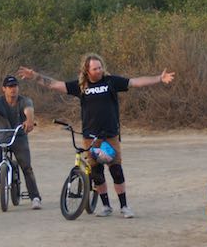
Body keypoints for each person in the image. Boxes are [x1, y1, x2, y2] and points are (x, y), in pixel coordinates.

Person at [17, 55, 175, 219]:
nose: (98, 71)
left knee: (116, 171)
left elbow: (135, 82)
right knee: (97, 173)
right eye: (95, 69)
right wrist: (34, 76)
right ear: (87, 70)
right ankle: (106, 206)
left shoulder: (110, 81)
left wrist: (159, 78)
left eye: (100, 67)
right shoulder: (81, 86)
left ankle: (124, 206)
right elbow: (56, 85)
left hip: (110, 135)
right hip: (90, 137)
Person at [0, 75, 42, 211]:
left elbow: (29, 110)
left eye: (15, 86)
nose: (13, 89)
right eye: (10, 87)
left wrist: (29, 120)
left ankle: (35, 198)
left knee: (26, 166)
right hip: (2, 138)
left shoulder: (24, 101)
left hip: (19, 136)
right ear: (4, 89)